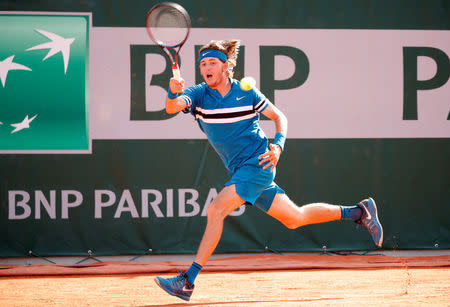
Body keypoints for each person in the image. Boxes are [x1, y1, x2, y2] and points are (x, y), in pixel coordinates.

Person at [154, 39, 383, 302]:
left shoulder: (246, 92)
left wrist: (278, 147)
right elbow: (172, 107)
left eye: (212, 63)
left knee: (216, 209)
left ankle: (188, 280)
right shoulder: (197, 95)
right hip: (239, 169)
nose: (206, 67)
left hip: (259, 164)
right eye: (203, 63)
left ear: (225, 66)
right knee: (294, 217)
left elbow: (279, 117)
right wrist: (172, 92)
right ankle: (359, 211)